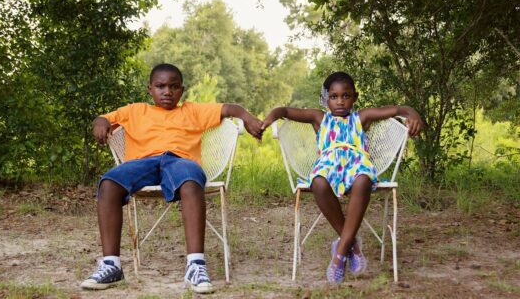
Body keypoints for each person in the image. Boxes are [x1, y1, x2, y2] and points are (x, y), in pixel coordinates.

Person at [81, 63, 263, 293]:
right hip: (143, 163)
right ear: (150, 89)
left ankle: (195, 265)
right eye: (160, 86)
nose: (167, 92)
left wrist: (247, 117)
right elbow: (103, 118)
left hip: (180, 161)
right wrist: (100, 122)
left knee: (191, 179)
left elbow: (230, 108)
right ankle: (111, 265)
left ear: (182, 90)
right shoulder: (136, 111)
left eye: (174, 87)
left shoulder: (192, 110)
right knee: (108, 183)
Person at [261, 71, 423, 284]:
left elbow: (398, 109)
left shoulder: (361, 117)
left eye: (345, 96)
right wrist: (269, 118)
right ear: (326, 99)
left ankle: (339, 255)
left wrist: (413, 114)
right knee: (317, 182)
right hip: (328, 165)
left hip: (357, 164)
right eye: (334, 96)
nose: (340, 101)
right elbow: (284, 110)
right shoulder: (319, 118)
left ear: (354, 97)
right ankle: (352, 245)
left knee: (364, 179)